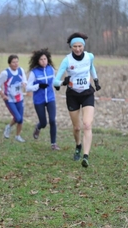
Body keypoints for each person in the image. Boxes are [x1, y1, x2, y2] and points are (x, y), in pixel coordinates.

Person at [53, 32, 101, 168]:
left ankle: (85, 156)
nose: (78, 49)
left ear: (84, 46)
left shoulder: (90, 56)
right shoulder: (67, 60)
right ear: (71, 47)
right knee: (77, 127)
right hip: (73, 95)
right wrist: (64, 82)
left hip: (87, 93)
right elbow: (55, 82)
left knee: (87, 124)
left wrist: (96, 80)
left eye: (80, 46)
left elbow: (91, 67)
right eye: (75, 46)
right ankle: (78, 145)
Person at [26, 48, 60, 150]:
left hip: (50, 98)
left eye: (45, 59)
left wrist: (58, 85)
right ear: (37, 61)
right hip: (39, 100)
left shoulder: (51, 69)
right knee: (44, 123)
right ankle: (38, 127)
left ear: (48, 59)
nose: (43, 61)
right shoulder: (34, 72)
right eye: (41, 59)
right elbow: (28, 87)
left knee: (53, 120)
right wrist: (38, 86)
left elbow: (54, 81)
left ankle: (53, 144)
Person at [0, 55, 28, 142]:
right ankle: (9, 127)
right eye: (13, 62)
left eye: (17, 62)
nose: (15, 64)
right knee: (17, 118)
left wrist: (24, 84)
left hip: (20, 98)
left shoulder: (21, 70)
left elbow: (25, 80)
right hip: (9, 100)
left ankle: (18, 136)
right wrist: (2, 95)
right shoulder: (5, 73)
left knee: (21, 119)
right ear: (9, 63)